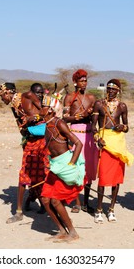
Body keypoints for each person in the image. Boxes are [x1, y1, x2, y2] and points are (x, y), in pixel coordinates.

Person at [0, 82, 49, 223]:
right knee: (25, 174)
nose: (2, 99)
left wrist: (36, 118)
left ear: (8, 92)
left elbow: (46, 112)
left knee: (41, 173)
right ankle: (20, 211)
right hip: (30, 140)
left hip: (42, 140)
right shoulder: (14, 106)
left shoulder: (26, 96)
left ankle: (41, 205)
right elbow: (21, 125)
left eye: (2, 96)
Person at [40, 104, 85, 243]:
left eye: (42, 106)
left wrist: (71, 163)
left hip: (65, 164)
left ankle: (72, 232)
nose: (39, 108)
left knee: (55, 200)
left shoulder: (59, 123)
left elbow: (78, 143)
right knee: (45, 200)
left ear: (49, 110)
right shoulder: (46, 125)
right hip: (55, 166)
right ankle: (61, 230)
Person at [92, 79, 134, 223]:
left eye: (113, 89)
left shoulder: (122, 106)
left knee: (116, 179)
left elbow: (127, 127)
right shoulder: (99, 104)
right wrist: (98, 138)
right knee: (103, 177)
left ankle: (111, 209)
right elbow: (93, 127)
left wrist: (121, 127)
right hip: (105, 142)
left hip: (118, 144)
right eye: (108, 89)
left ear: (118, 91)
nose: (110, 91)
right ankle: (98, 210)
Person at [63, 69, 98, 213]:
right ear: (75, 82)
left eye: (85, 80)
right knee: (77, 168)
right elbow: (65, 118)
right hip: (75, 135)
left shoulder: (91, 97)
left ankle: (86, 202)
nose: (84, 83)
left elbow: (96, 118)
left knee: (89, 169)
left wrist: (91, 115)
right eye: (81, 81)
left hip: (89, 135)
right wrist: (79, 116)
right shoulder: (69, 97)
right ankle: (76, 202)